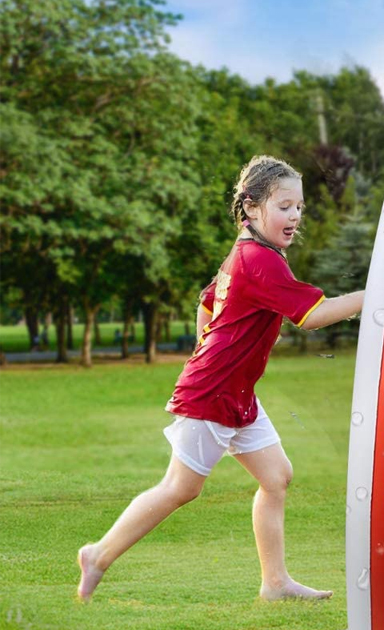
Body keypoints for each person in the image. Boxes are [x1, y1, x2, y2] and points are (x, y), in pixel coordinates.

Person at [77, 155, 365, 602]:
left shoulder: (246, 254)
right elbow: (312, 316)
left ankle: (275, 584)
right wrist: (378, 293)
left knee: (276, 477)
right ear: (251, 208)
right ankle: (96, 555)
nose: (295, 217)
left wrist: (208, 352)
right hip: (213, 395)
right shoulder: (260, 261)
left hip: (236, 394)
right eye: (285, 206)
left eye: (300, 208)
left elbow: (206, 303)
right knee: (180, 488)